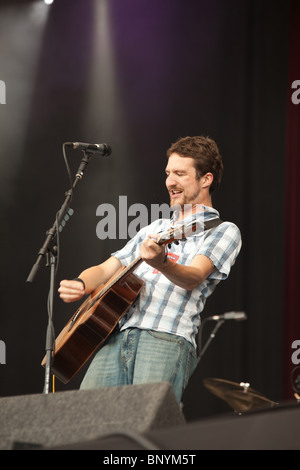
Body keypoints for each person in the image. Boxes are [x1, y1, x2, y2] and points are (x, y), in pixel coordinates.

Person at [58, 135, 242, 402]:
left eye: (180, 173)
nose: (170, 181)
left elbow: (194, 277)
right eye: (168, 173)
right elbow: (106, 267)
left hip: (166, 339)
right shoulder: (155, 229)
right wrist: (82, 283)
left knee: (149, 430)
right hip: (117, 337)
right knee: (86, 420)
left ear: (206, 179)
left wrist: (162, 263)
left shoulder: (224, 230)